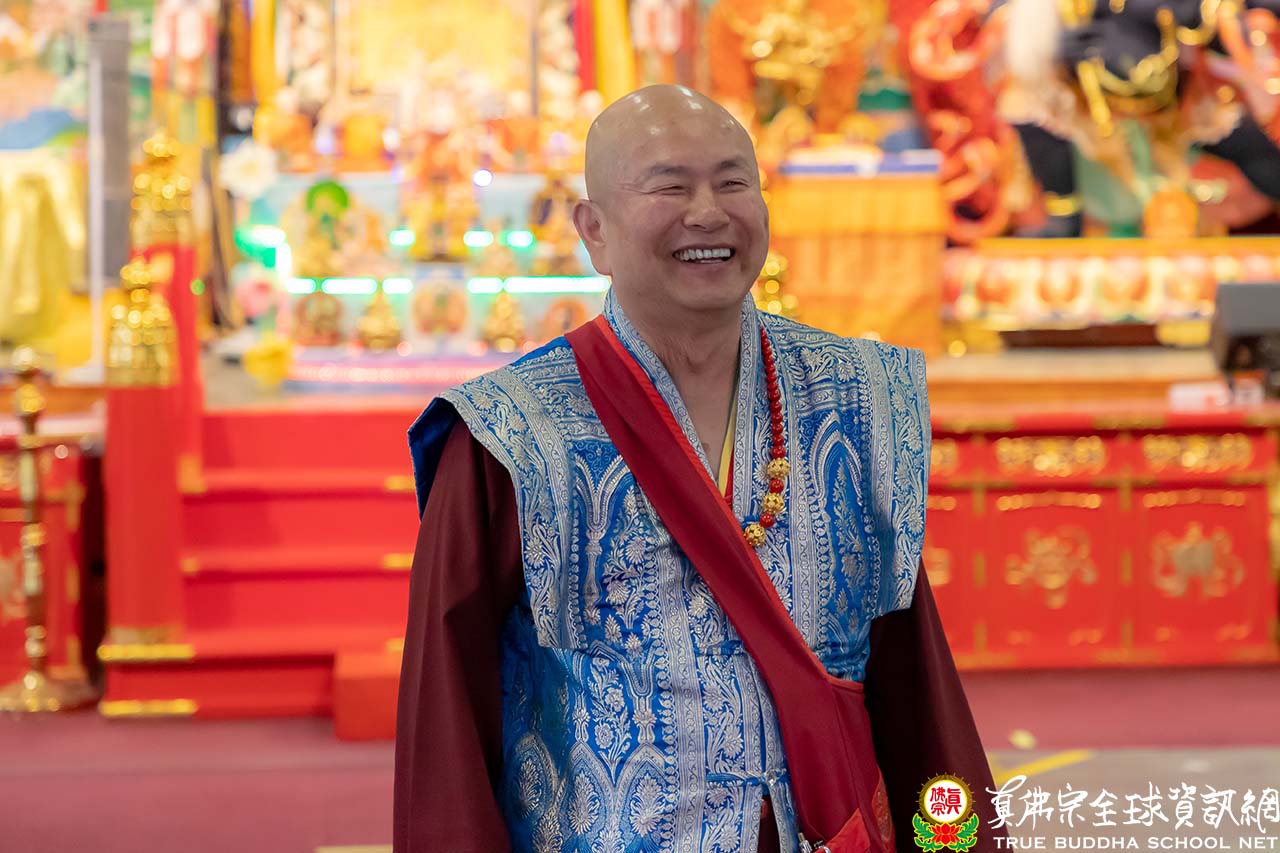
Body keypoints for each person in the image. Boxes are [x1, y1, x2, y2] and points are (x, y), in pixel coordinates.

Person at [394, 85, 1003, 853]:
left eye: (732, 182)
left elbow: (916, 691)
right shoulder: (512, 432)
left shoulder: (856, 397)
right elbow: (445, 727)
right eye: (671, 187)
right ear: (593, 230)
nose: (709, 213)